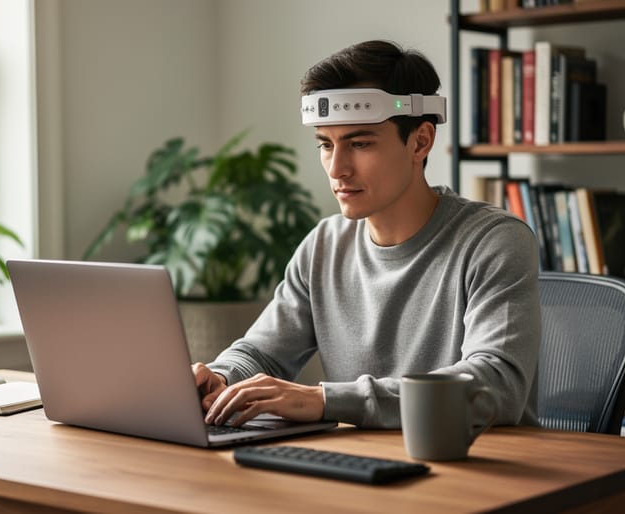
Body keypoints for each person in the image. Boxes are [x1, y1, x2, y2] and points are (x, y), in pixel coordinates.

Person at [193, 39, 540, 429]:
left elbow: (496, 384)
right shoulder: (324, 246)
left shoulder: (494, 242)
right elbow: (262, 354)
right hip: (361, 460)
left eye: (359, 143)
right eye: (326, 144)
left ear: (420, 141)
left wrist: (326, 400)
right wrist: (221, 377)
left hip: (476, 462)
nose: (337, 169)